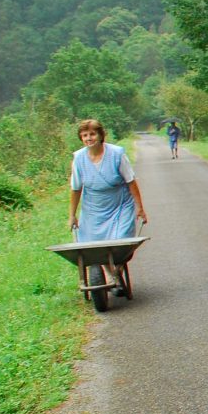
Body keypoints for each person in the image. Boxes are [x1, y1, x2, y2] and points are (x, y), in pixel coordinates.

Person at [69, 120, 148, 290]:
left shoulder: (116, 154)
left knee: (119, 242)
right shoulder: (79, 158)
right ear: (81, 138)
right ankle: (113, 277)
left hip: (120, 205)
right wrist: (72, 215)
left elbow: (131, 181)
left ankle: (116, 273)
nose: (89, 138)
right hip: (93, 208)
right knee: (96, 246)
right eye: (84, 135)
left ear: (100, 135)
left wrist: (140, 207)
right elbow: (76, 188)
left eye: (92, 134)